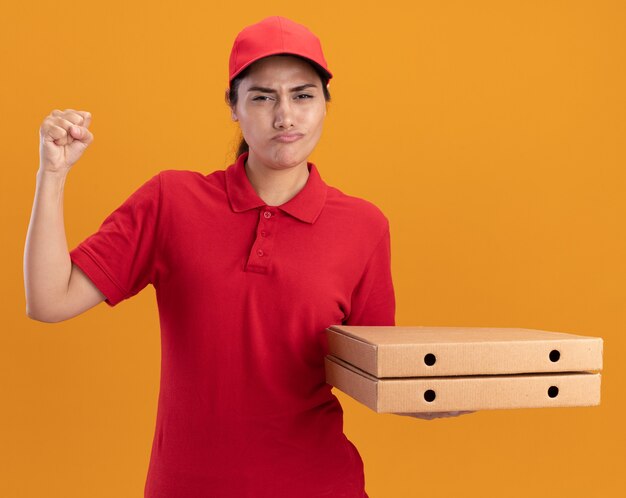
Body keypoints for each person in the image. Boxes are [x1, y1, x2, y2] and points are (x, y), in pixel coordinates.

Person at [24, 15, 473, 498]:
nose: (285, 116)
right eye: (262, 97)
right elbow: (49, 300)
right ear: (233, 107)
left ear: (325, 105)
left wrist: (466, 390)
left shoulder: (364, 226)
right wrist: (53, 174)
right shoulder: (170, 201)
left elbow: (374, 375)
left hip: (319, 486)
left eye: (303, 95)